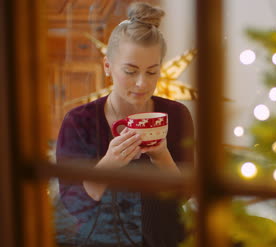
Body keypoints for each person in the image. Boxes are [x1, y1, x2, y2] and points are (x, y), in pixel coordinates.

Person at [55, 2, 194, 247]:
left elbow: (183, 196)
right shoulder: (79, 121)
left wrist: (162, 156)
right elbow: (74, 206)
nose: (142, 83)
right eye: (130, 71)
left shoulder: (177, 114)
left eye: (152, 72)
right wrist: (110, 163)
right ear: (107, 66)